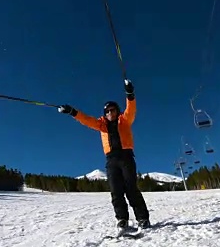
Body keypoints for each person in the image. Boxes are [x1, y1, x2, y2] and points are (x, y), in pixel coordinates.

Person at [58, 79, 151, 230]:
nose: (110, 113)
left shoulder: (125, 120)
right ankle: (122, 219)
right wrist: (72, 112)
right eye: (107, 111)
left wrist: (130, 93)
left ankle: (142, 218)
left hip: (126, 157)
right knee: (116, 191)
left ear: (117, 111)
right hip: (111, 160)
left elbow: (131, 109)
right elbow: (86, 120)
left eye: (112, 110)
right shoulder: (101, 125)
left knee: (131, 188)